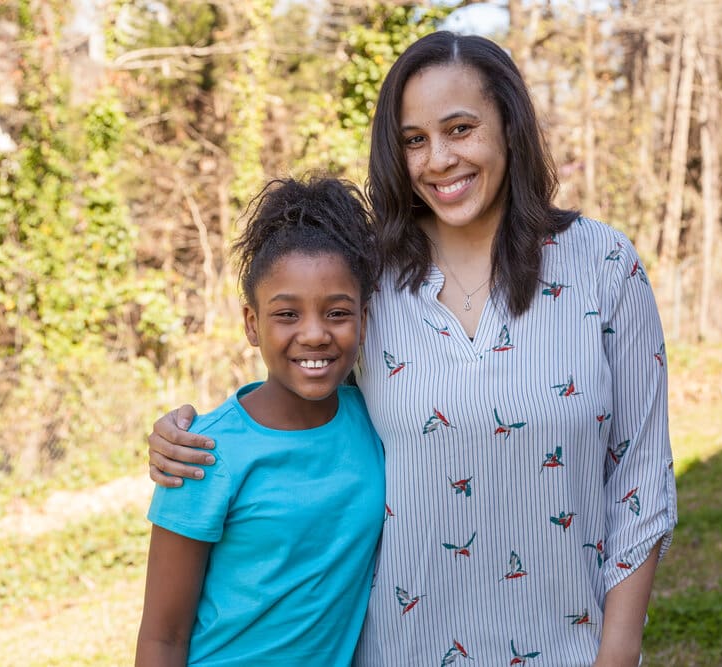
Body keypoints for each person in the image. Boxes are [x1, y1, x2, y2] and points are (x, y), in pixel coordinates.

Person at [148, 31, 677, 666]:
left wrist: (615, 658)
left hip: (569, 647)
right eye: (414, 140)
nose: (437, 160)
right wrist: (185, 434)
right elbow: (302, 381)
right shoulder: (373, 275)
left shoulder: (604, 265)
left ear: (508, 125)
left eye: (460, 129)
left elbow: (641, 481)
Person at [135, 177, 385, 666]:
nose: (314, 334)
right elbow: (162, 636)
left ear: (365, 318)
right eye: (286, 314)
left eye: (337, 312)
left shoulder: (375, 417)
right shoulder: (203, 453)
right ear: (252, 324)